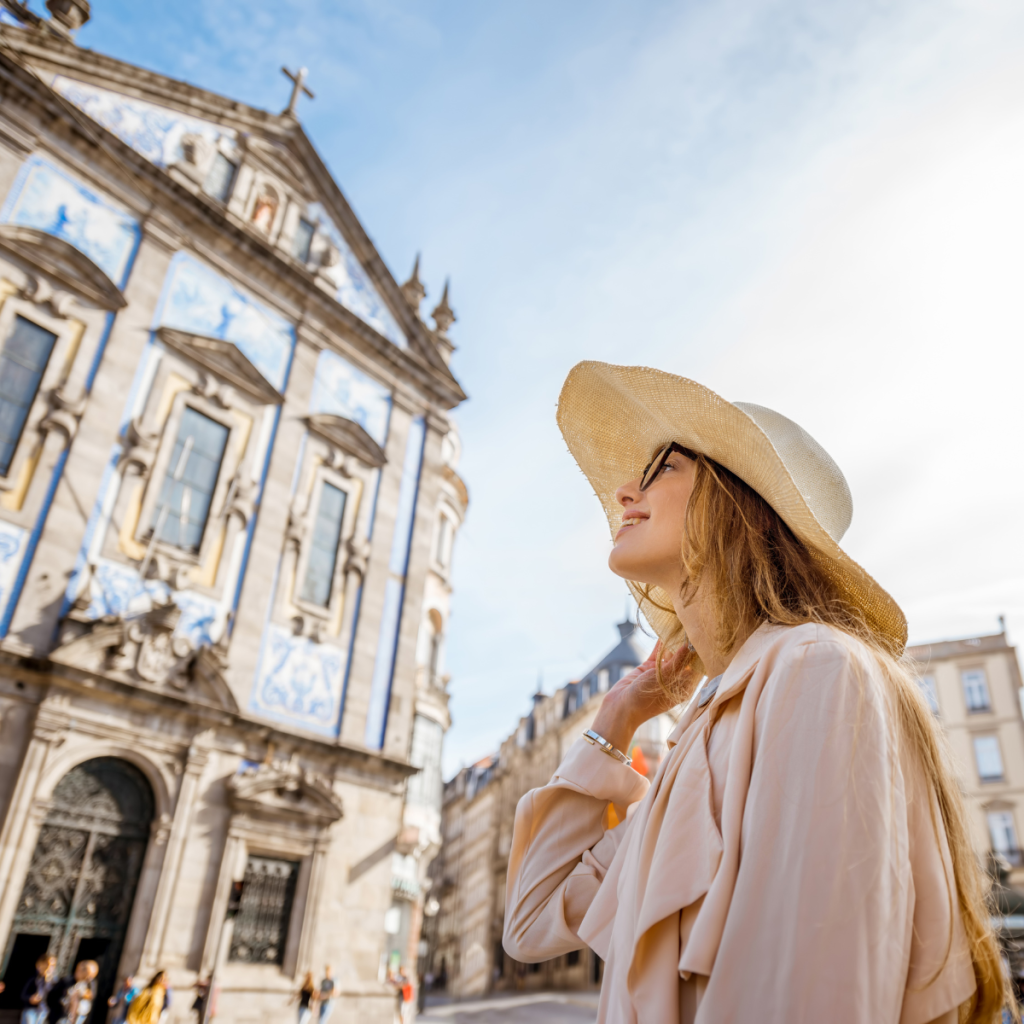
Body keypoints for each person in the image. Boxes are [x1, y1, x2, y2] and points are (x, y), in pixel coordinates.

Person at [503, 362, 1009, 1023]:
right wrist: (617, 717)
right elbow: (533, 921)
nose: (626, 489)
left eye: (664, 467)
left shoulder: (817, 670)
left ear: (739, 505)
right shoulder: (707, 734)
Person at [20, 955, 55, 1024]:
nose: (48, 968)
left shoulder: (54, 982)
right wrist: (30, 998)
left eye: (52, 966)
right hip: (31, 1009)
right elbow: (23, 995)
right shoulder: (33, 979)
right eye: (46, 965)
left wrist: (48, 980)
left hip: (44, 1011)